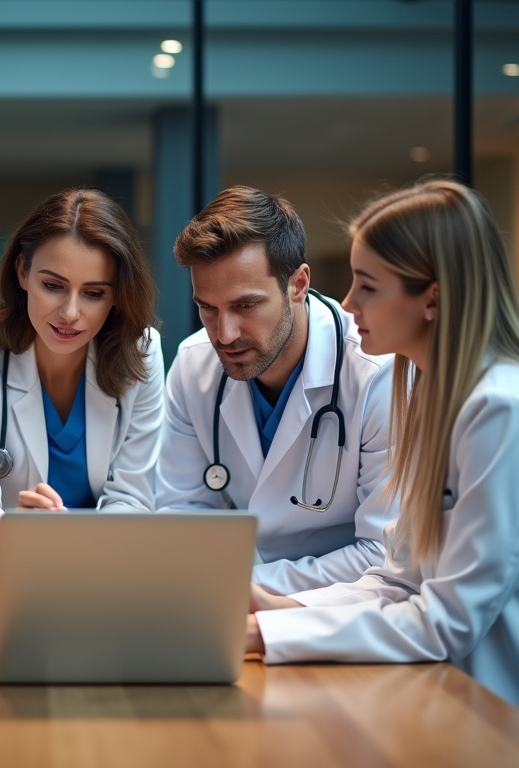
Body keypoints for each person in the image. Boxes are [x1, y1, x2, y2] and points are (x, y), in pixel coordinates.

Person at [247, 179, 519, 739]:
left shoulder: (505, 410)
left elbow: (447, 623)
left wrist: (268, 634)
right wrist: (279, 608)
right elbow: (400, 582)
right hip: (467, 701)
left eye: (368, 286)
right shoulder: (433, 395)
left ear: (431, 298)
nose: (347, 305)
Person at [156, 185, 397, 594]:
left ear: (298, 284)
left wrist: (245, 585)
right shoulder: (193, 365)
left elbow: (383, 552)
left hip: (348, 610)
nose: (224, 334)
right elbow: (181, 520)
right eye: (207, 308)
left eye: (246, 305)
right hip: (243, 605)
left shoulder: (378, 372)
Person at [0, 188, 164, 584]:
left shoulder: (141, 354)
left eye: (93, 293)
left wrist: (71, 545)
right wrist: (18, 534)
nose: (71, 313)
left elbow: (132, 497)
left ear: (117, 297)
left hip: (99, 582)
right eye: (54, 286)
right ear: (23, 272)